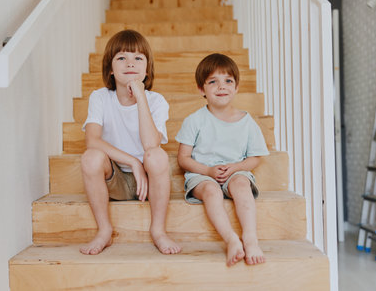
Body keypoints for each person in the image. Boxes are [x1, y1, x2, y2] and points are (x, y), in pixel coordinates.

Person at [79, 30, 181, 256]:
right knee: (91, 157)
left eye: (138, 58)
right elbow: (92, 140)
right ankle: (104, 230)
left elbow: (150, 144)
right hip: (115, 178)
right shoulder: (100, 97)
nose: (130, 64)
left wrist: (141, 97)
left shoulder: (156, 101)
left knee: (157, 155)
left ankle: (158, 230)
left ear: (147, 69)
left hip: (149, 179)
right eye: (121, 58)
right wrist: (132, 163)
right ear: (110, 69)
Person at [175, 53, 269, 266]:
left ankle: (250, 238)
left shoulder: (247, 121)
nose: (221, 87)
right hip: (202, 175)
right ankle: (231, 239)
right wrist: (207, 171)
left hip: (236, 171)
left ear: (236, 87)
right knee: (211, 190)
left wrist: (237, 167)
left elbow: (255, 158)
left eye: (228, 81)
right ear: (202, 89)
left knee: (242, 185)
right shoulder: (194, 121)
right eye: (213, 82)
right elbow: (183, 158)